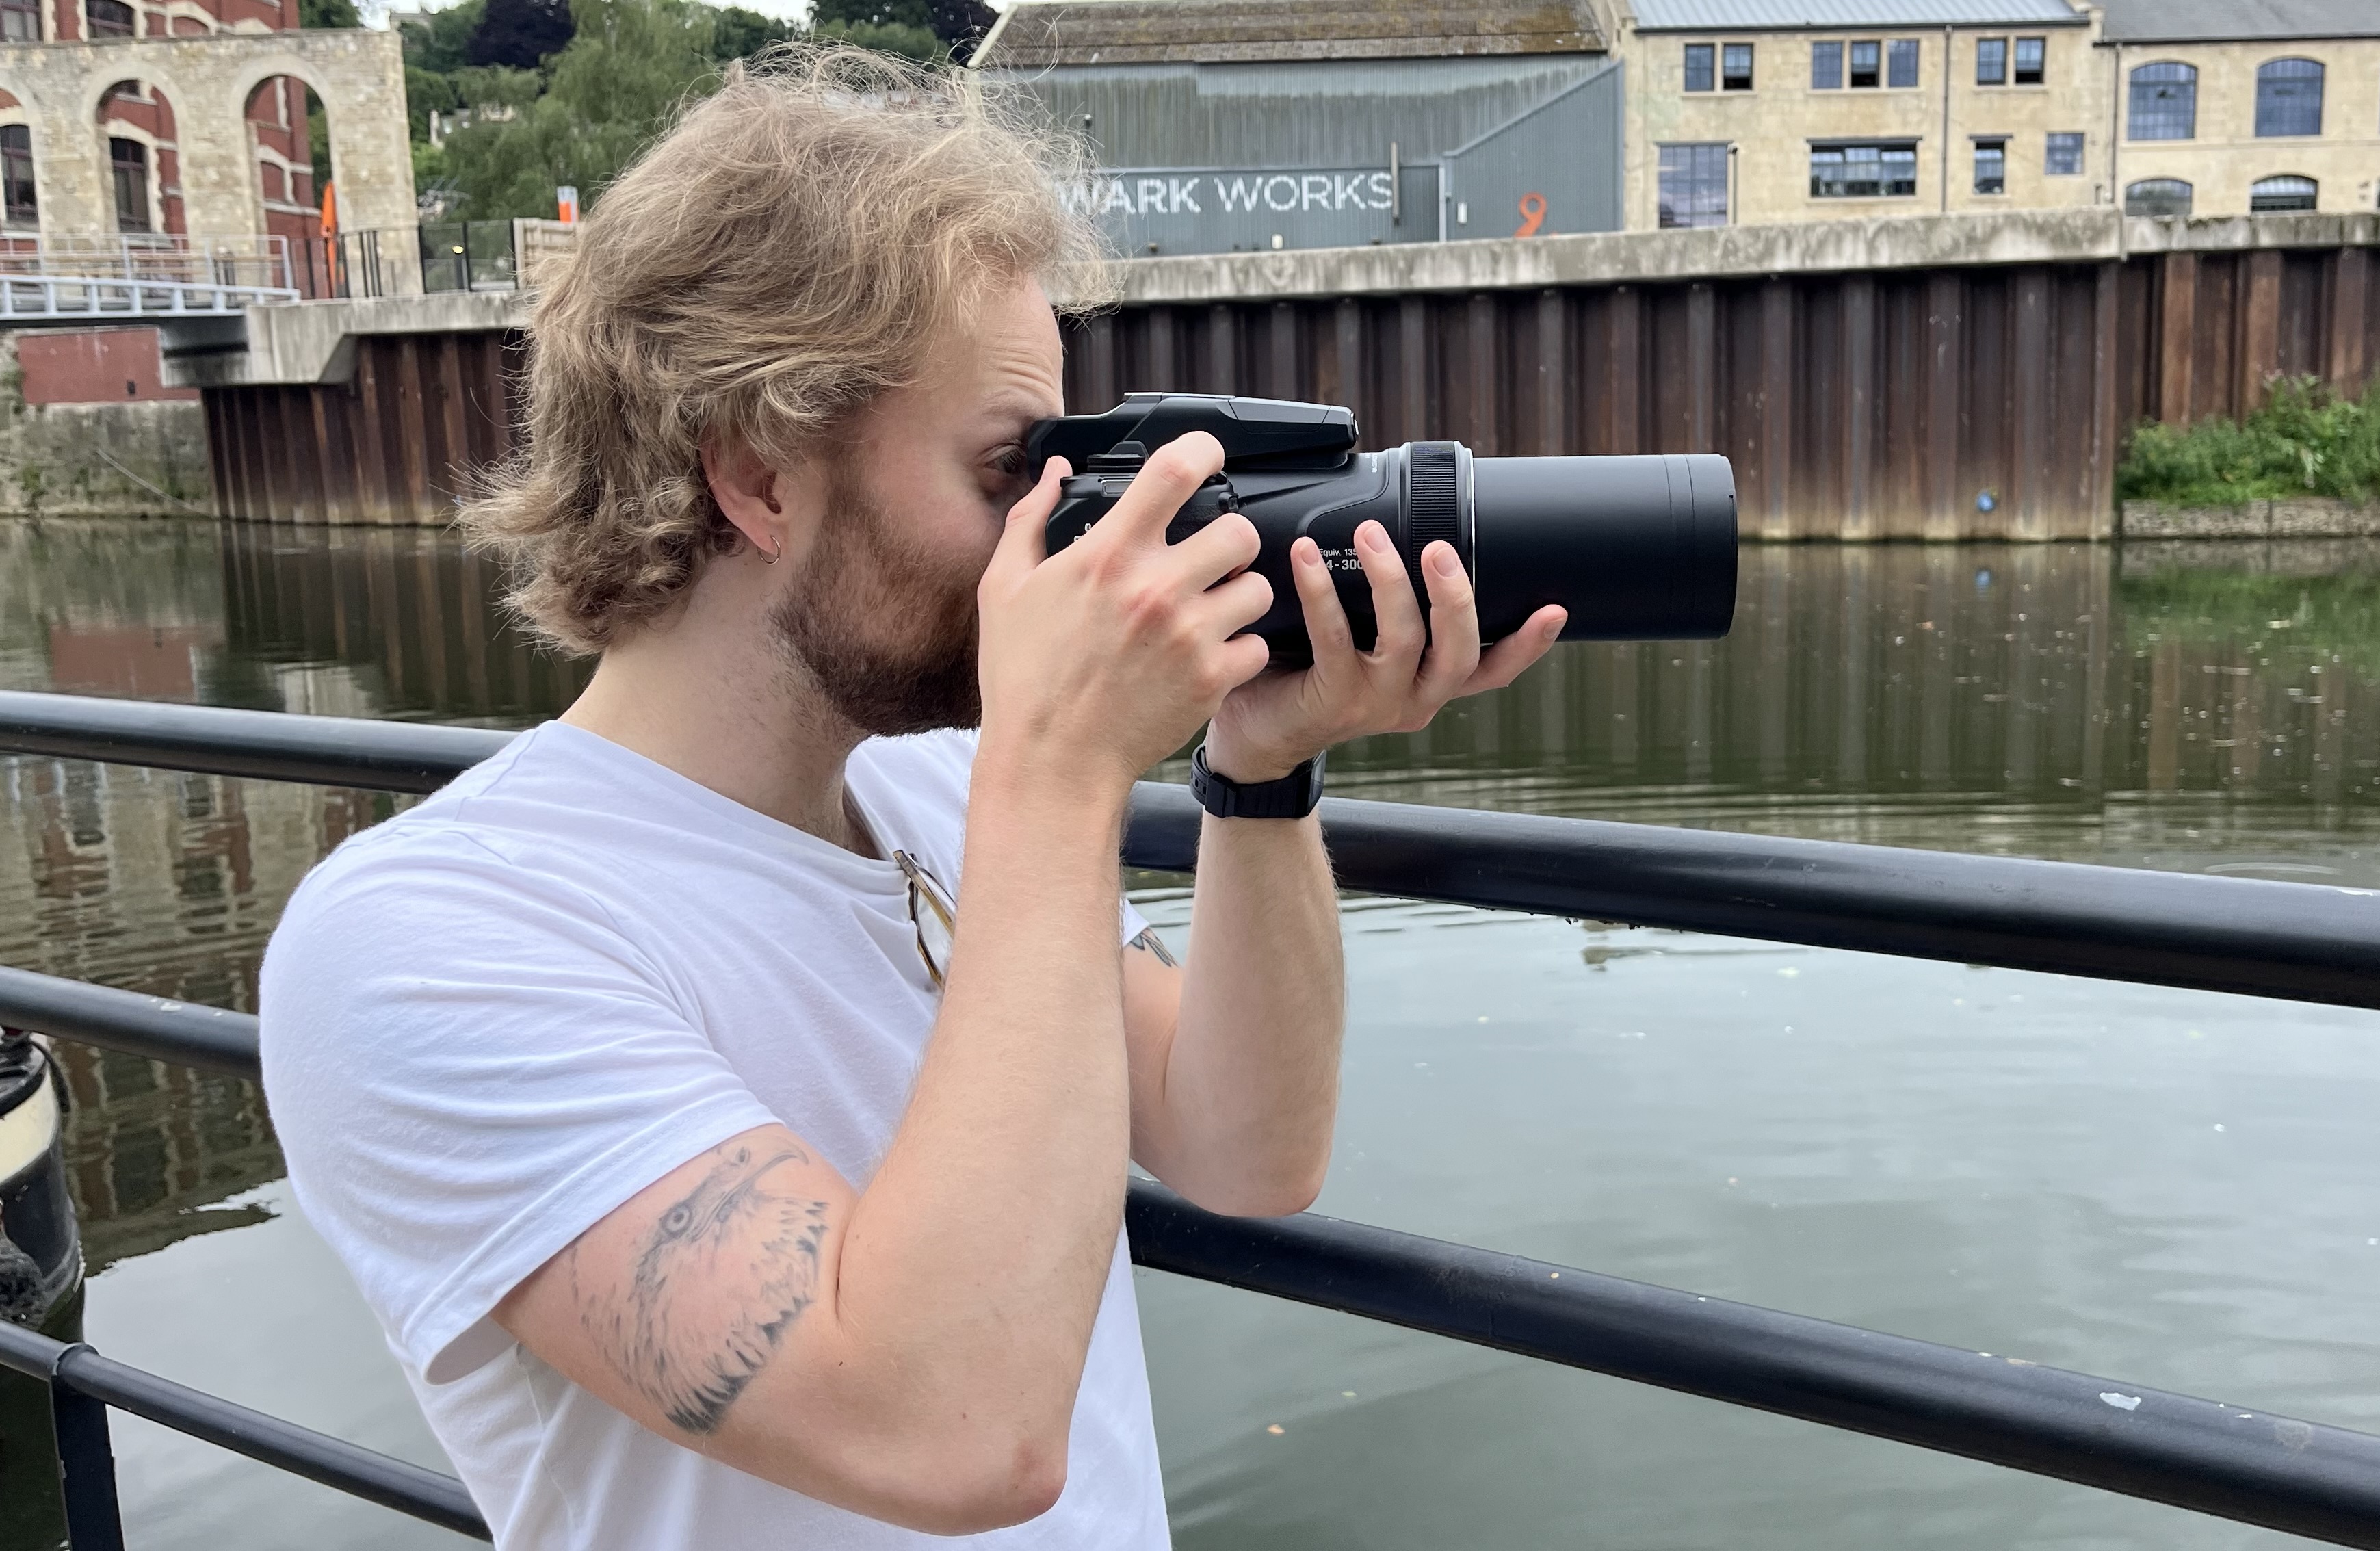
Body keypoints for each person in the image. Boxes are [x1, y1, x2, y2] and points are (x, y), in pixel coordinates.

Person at [256, 48, 1564, 1551]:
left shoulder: (944, 790)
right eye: (1011, 470)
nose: (1056, 535)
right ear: (756, 479)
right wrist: (1061, 774)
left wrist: (1257, 775)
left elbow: (1245, 1150)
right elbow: (948, 1435)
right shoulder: (430, 939)